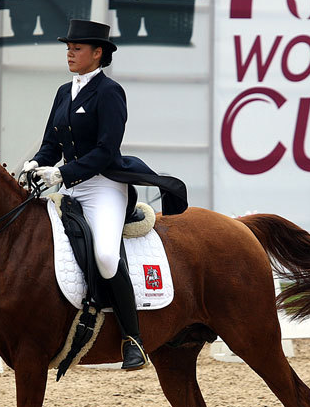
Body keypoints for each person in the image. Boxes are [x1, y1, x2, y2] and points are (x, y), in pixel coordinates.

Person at [23, 19, 187, 371]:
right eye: (68, 47)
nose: (69, 52)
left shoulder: (109, 92)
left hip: (104, 185)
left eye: (77, 48)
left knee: (106, 257)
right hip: (70, 184)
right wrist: (36, 162)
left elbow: (106, 149)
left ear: (97, 53)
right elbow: (52, 144)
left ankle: (133, 339)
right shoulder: (63, 92)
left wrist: (63, 172)